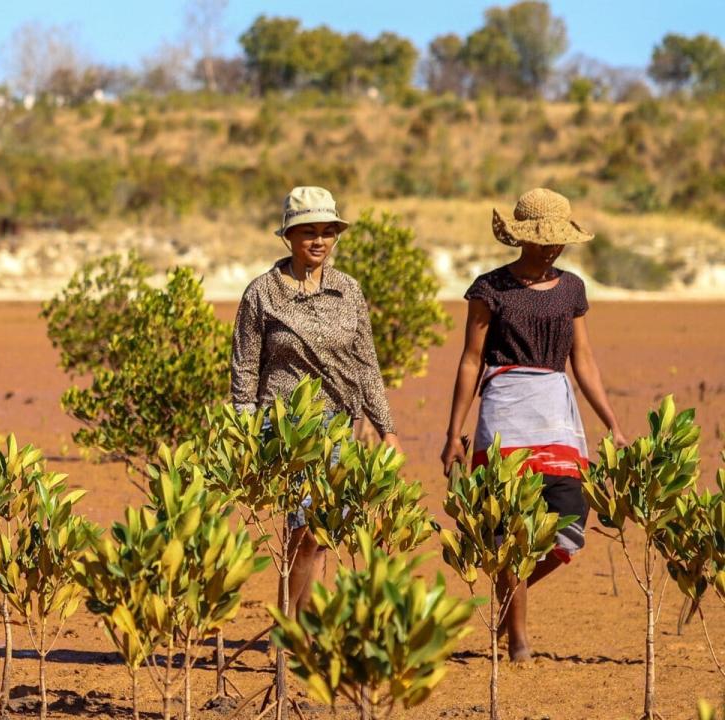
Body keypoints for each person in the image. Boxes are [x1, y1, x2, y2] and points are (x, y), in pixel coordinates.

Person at [439, 188, 625, 662]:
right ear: (520, 239)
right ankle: (519, 641)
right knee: (509, 528)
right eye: (542, 241)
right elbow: (469, 361)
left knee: (570, 522)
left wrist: (612, 423)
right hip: (504, 412)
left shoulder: (571, 289)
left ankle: (508, 599)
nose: (551, 249)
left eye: (558, 241)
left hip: (556, 413)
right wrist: (451, 435)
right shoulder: (490, 288)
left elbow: (583, 361)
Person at [230, 186, 399, 607]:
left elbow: (366, 365)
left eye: (327, 231)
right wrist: (245, 429)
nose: (318, 241)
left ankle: (304, 627)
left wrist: (387, 429)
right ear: (289, 236)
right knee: (303, 528)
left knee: (326, 531)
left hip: (340, 425)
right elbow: (246, 367)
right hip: (286, 427)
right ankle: (290, 629)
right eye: (308, 232)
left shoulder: (348, 291)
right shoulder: (262, 293)